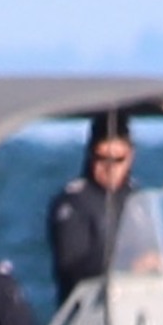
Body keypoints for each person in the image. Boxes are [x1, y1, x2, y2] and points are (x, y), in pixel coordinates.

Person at [47, 113, 141, 302]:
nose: (110, 168)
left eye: (118, 160)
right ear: (90, 155)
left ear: (131, 157)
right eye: (102, 158)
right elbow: (72, 266)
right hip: (90, 307)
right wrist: (129, 265)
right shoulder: (73, 202)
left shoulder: (137, 198)